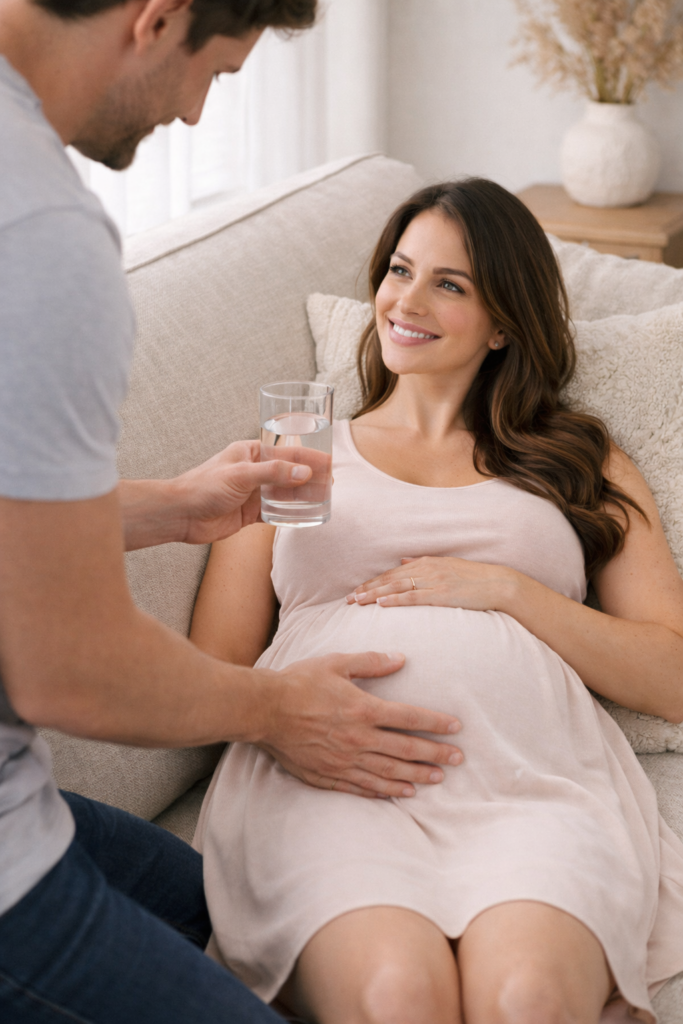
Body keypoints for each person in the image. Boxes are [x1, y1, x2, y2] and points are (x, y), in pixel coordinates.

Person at [0, 1, 465, 1021]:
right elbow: (66, 665)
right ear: (156, 19)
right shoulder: (40, 233)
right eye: (216, 73)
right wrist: (279, 710)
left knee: (239, 917)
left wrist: (163, 507)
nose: (200, 117)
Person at [190, 178, 683, 1024]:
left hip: (528, 783)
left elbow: (671, 673)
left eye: (447, 284)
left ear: (502, 322)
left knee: (526, 999)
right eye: (398, 270)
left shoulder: (578, 459)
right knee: (398, 998)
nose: (403, 301)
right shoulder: (299, 446)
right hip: (328, 782)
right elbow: (212, 672)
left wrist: (507, 592)